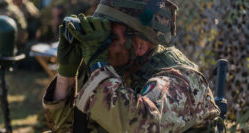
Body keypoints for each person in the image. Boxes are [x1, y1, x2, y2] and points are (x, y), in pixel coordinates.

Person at [42, 0, 221, 132]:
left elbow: (140, 128)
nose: (100, 40)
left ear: (140, 45)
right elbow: (67, 128)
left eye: (108, 34)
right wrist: (66, 73)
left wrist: (97, 61)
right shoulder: (109, 69)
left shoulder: (177, 80)